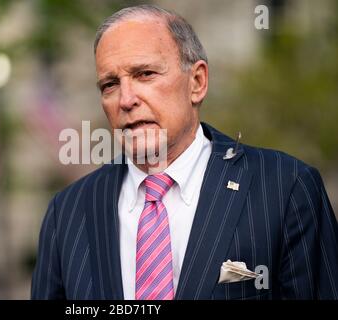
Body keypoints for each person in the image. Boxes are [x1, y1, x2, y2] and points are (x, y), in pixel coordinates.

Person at [31, 4, 338, 300]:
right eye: (110, 84)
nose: (126, 99)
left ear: (197, 82)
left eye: (145, 74)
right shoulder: (68, 212)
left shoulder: (286, 188)